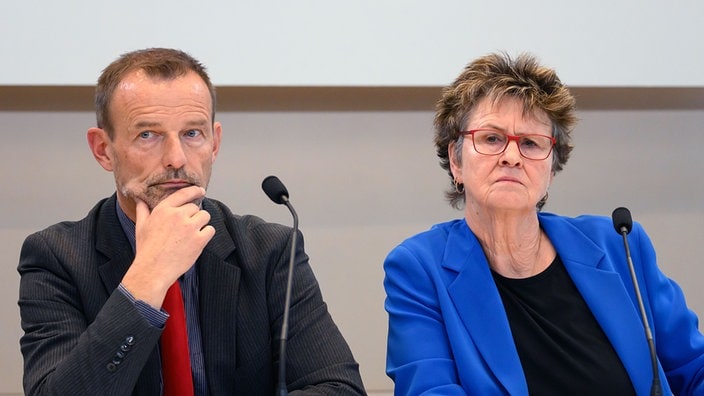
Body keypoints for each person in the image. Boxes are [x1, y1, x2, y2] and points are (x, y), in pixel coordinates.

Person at [18, 47, 366, 396]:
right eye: (147, 135)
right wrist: (147, 278)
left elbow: (340, 389)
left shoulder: (270, 251)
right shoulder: (56, 257)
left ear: (214, 143)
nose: (175, 159)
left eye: (192, 134)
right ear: (103, 150)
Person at [383, 52, 704, 395]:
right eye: (491, 138)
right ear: (456, 160)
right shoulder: (419, 268)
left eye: (530, 143)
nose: (511, 156)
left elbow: (695, 369)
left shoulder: (619, 244)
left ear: (551, 169)